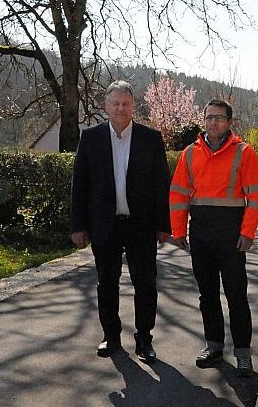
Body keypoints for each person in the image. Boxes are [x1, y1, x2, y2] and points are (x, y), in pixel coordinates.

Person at [71, 80, 170, 364]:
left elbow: (161, 184)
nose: (120, 108)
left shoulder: (150, 138)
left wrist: (164, 224)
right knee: (107, 284)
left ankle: (143, 338)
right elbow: (80, 185)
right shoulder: (90, 138)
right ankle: (111, 336)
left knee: (146, 284)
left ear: (133, 107)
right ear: (106, 106)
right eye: (115, 103)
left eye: (125, 103)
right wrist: (78, 226)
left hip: (141, 225)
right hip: (104, 225)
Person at [169, 99, 258, 377]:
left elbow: (256, 195)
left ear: (229, 122)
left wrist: (248, 232)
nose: (213, 122)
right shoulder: (189, 154)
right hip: (200, 235)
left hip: (231, 236)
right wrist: (178, 230)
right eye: (209, 117)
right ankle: (213, 345)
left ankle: (243, 354)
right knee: (207, 294)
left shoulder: (244, 153)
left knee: (236, 295)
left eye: (219, 118)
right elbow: (178, 194)